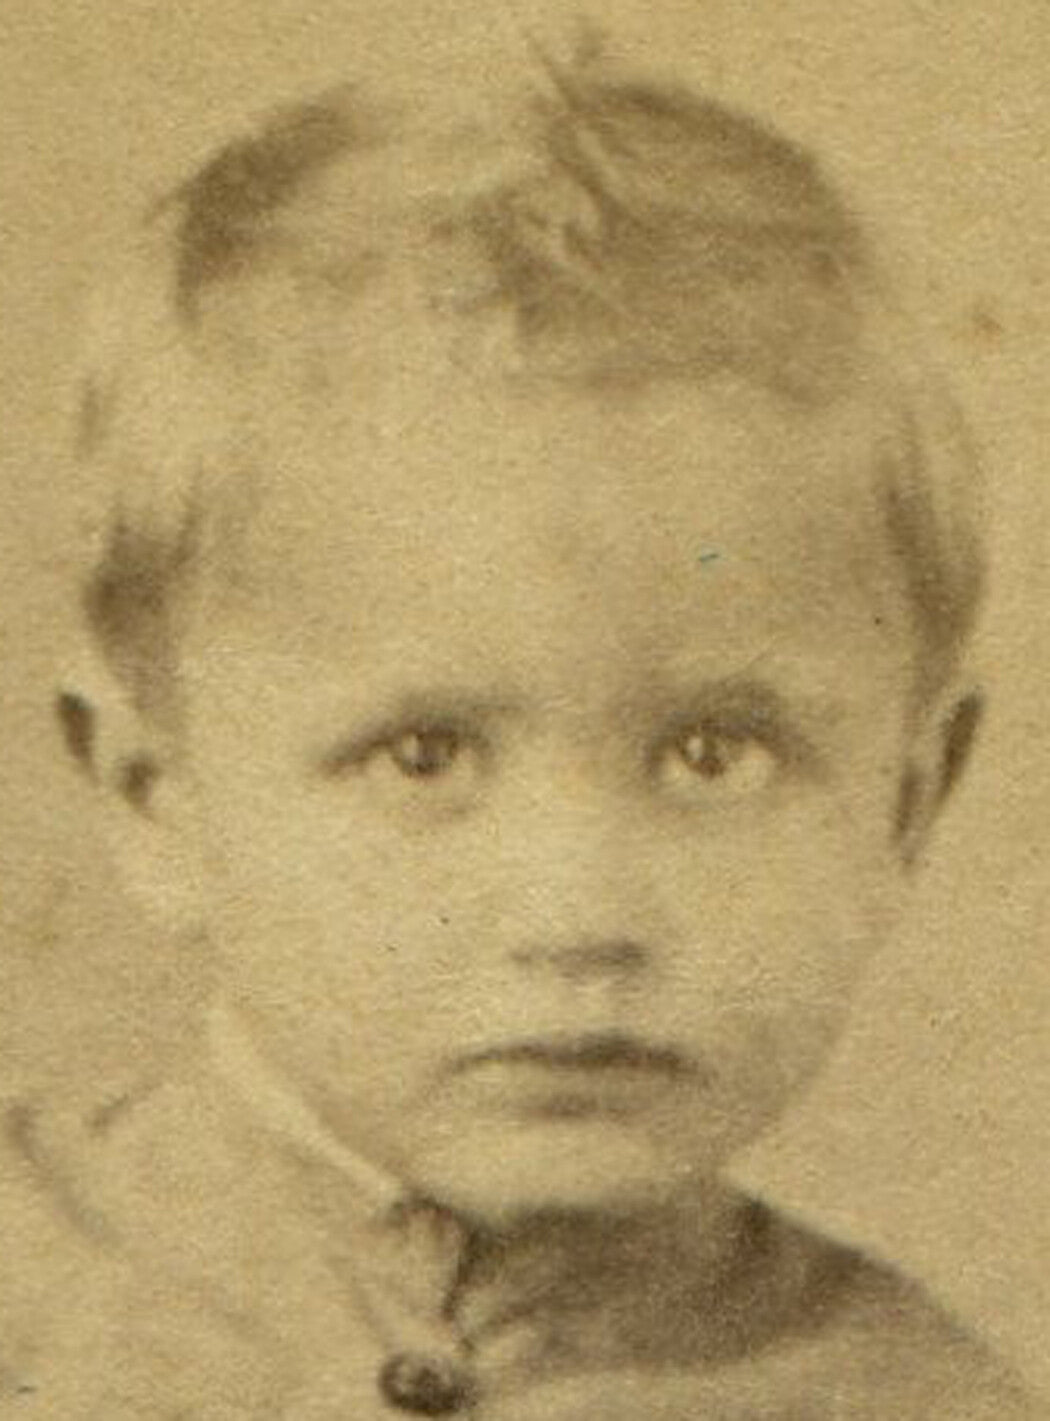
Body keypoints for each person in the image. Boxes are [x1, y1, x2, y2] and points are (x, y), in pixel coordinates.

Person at [1, 37, 1041, 1419]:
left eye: (711, 753)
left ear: (908, 801)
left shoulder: (922, 1397)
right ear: (154, 793)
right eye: (422, 752)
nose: (579, 911)